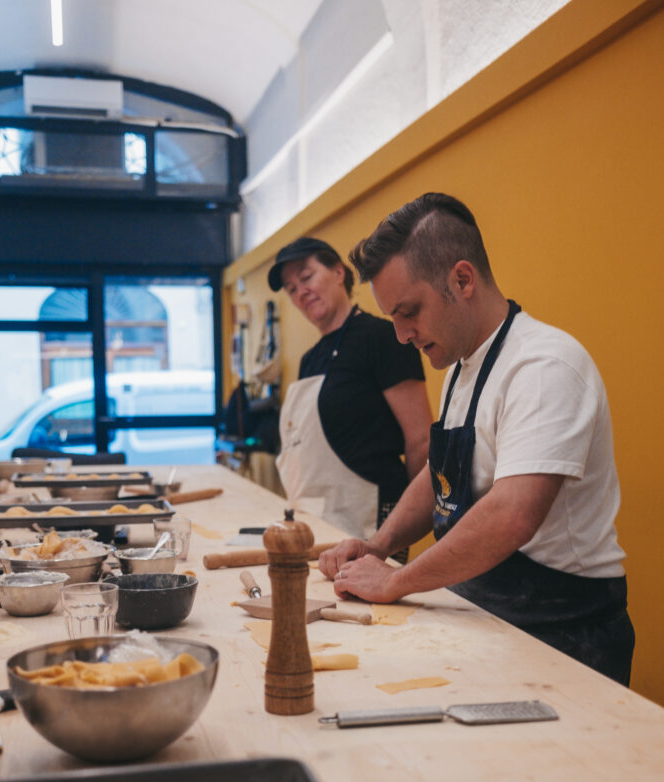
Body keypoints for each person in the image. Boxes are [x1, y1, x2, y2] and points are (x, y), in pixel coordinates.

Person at [319, 193, 635, 685]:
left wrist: (398, 581)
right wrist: (378, 548)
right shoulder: (462, 369)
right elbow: (438, 476)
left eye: (410, 312)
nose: (402, 335)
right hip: (486, 610)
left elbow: (512, 513)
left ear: (462, 280)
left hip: (565, 633)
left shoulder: (544, 365)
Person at [268, 236, 432, 541]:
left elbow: (420, 438)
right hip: (316, 515)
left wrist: (415, 518)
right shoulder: (310, 360)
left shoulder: (383, 338)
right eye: (291, 289)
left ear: (339, 273)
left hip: (373, 514)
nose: (300, 291)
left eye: (306, 277)